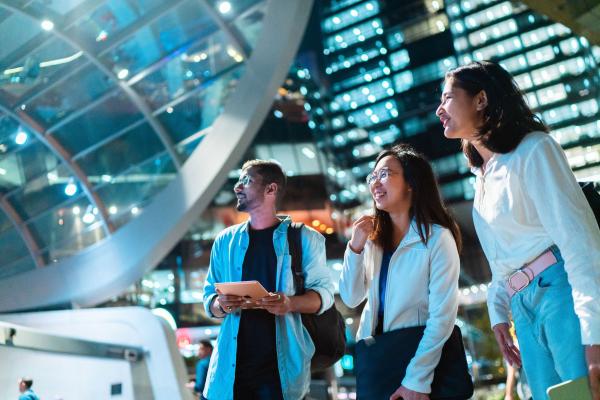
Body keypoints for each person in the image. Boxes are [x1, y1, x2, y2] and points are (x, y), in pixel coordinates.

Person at [436, 60, 600, 400]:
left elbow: (579, 240)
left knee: (585, 393)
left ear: (480, 100)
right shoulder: (482, 178)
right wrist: (499, 314)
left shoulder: (534, 149)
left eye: (449, 97)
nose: (440, 109)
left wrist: (594, 333)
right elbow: (502, 261)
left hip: (560, 291)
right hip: (522, 310)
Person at [202, 159, 334, 400]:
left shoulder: (305, 239)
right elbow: (209, 296)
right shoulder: (224, 241)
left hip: (281, 372)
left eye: (247, 181)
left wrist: (290, 303)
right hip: (230, 371)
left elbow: (324, 295)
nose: (237, 187)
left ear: (271, 189)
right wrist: (220, 304)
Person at [339, 144, 462, 400]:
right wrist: (355, 247)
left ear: (410, 183)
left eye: (384, 174)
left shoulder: (437, 238)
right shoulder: (371, 242)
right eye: (372, 176)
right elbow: (351, 298)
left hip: (417, 360)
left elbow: (443, 316)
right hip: (376, 360)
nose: (375, 183)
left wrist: (417, 381)